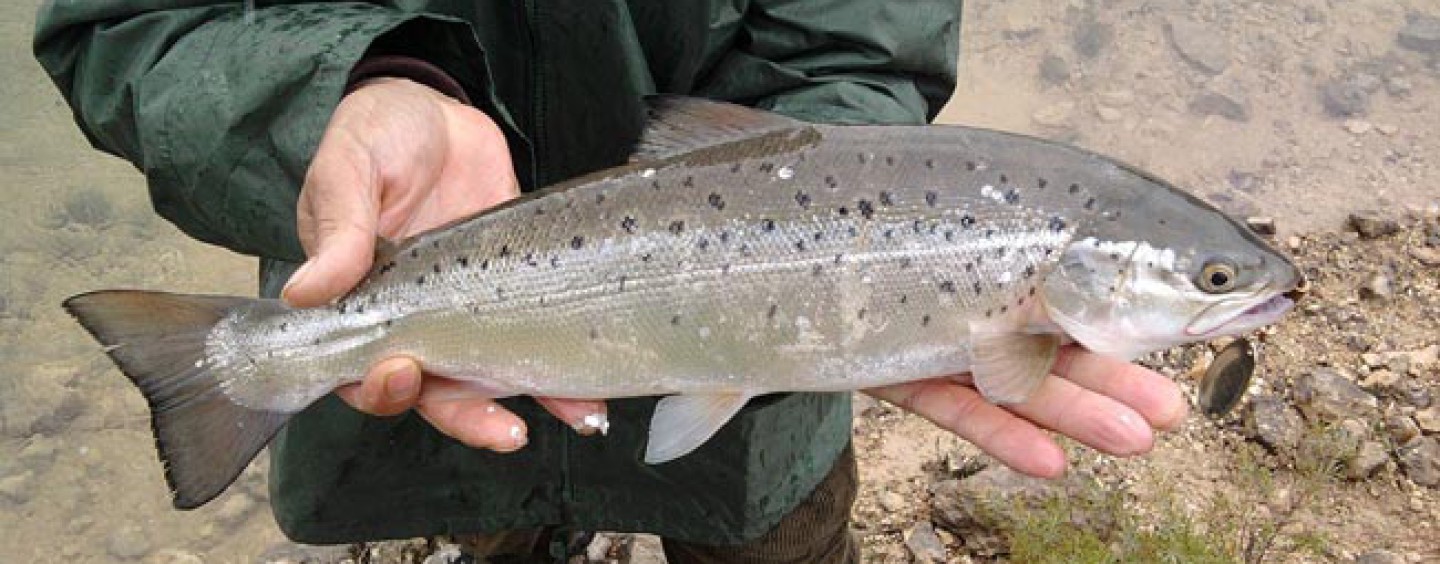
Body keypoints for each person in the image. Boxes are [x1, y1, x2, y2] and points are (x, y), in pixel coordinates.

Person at [35, 2, 1186, 562]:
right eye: (1212, 280)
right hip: (425, 403)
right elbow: (126, 26)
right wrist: (354, 92)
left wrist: (821, 210)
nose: (1236, 297)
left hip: (755, 435)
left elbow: (857, 45)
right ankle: (249, 366)